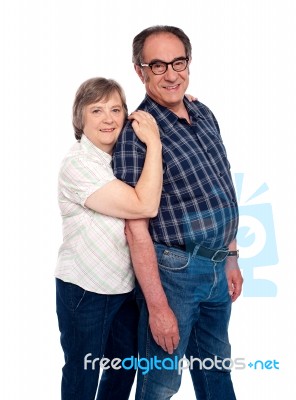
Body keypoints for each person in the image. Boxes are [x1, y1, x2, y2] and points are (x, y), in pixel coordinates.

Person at [112, 25, 244, 399]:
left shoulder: (203, 113)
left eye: (178, 62)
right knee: (161, 384)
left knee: (216, 371)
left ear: (189, 63)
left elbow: (222, 185)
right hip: (174, 276)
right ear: (140, 70)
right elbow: (135, 229)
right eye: (158, 65)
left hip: (218, 270)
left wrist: (231, 256)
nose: (171, 74)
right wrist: (157, 307)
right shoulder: (136, 133)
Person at [55, 77, 163, 400]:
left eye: (116, 109)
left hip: (125, 288)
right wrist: (155, 144)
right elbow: (145, 204)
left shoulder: (124, 153)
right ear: (80, 118)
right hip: (85, 290)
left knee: (124, 368)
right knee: (82, 375)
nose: (109, 119)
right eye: (97, 110)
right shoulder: (78, 165)